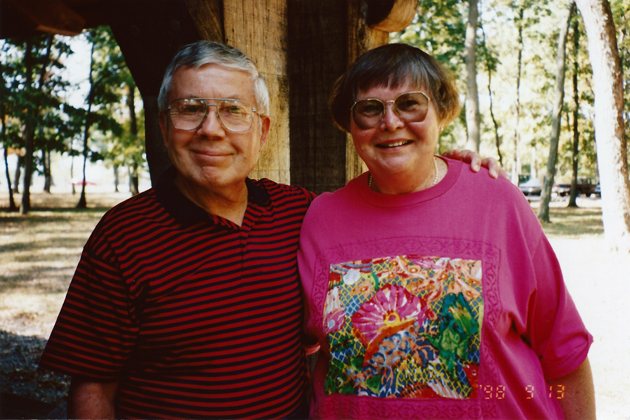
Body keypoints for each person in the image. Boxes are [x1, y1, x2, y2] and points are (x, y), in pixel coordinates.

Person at [38, 41, 503, 419]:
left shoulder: (304, 215)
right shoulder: (123, 235)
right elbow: (93, 387)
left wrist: (446, 166)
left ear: (262, 131)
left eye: (233, 110)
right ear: (163, 126)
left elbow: (389, 215)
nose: (211, 129)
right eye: (190, 109)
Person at [298, 43, 595, 420]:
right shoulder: (320, 219)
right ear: (350, 125)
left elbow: (564, 351)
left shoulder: (497, 202)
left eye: (410, 104)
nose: (390, 122)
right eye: (369, 109)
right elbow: (296, 343)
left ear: (441, 112)